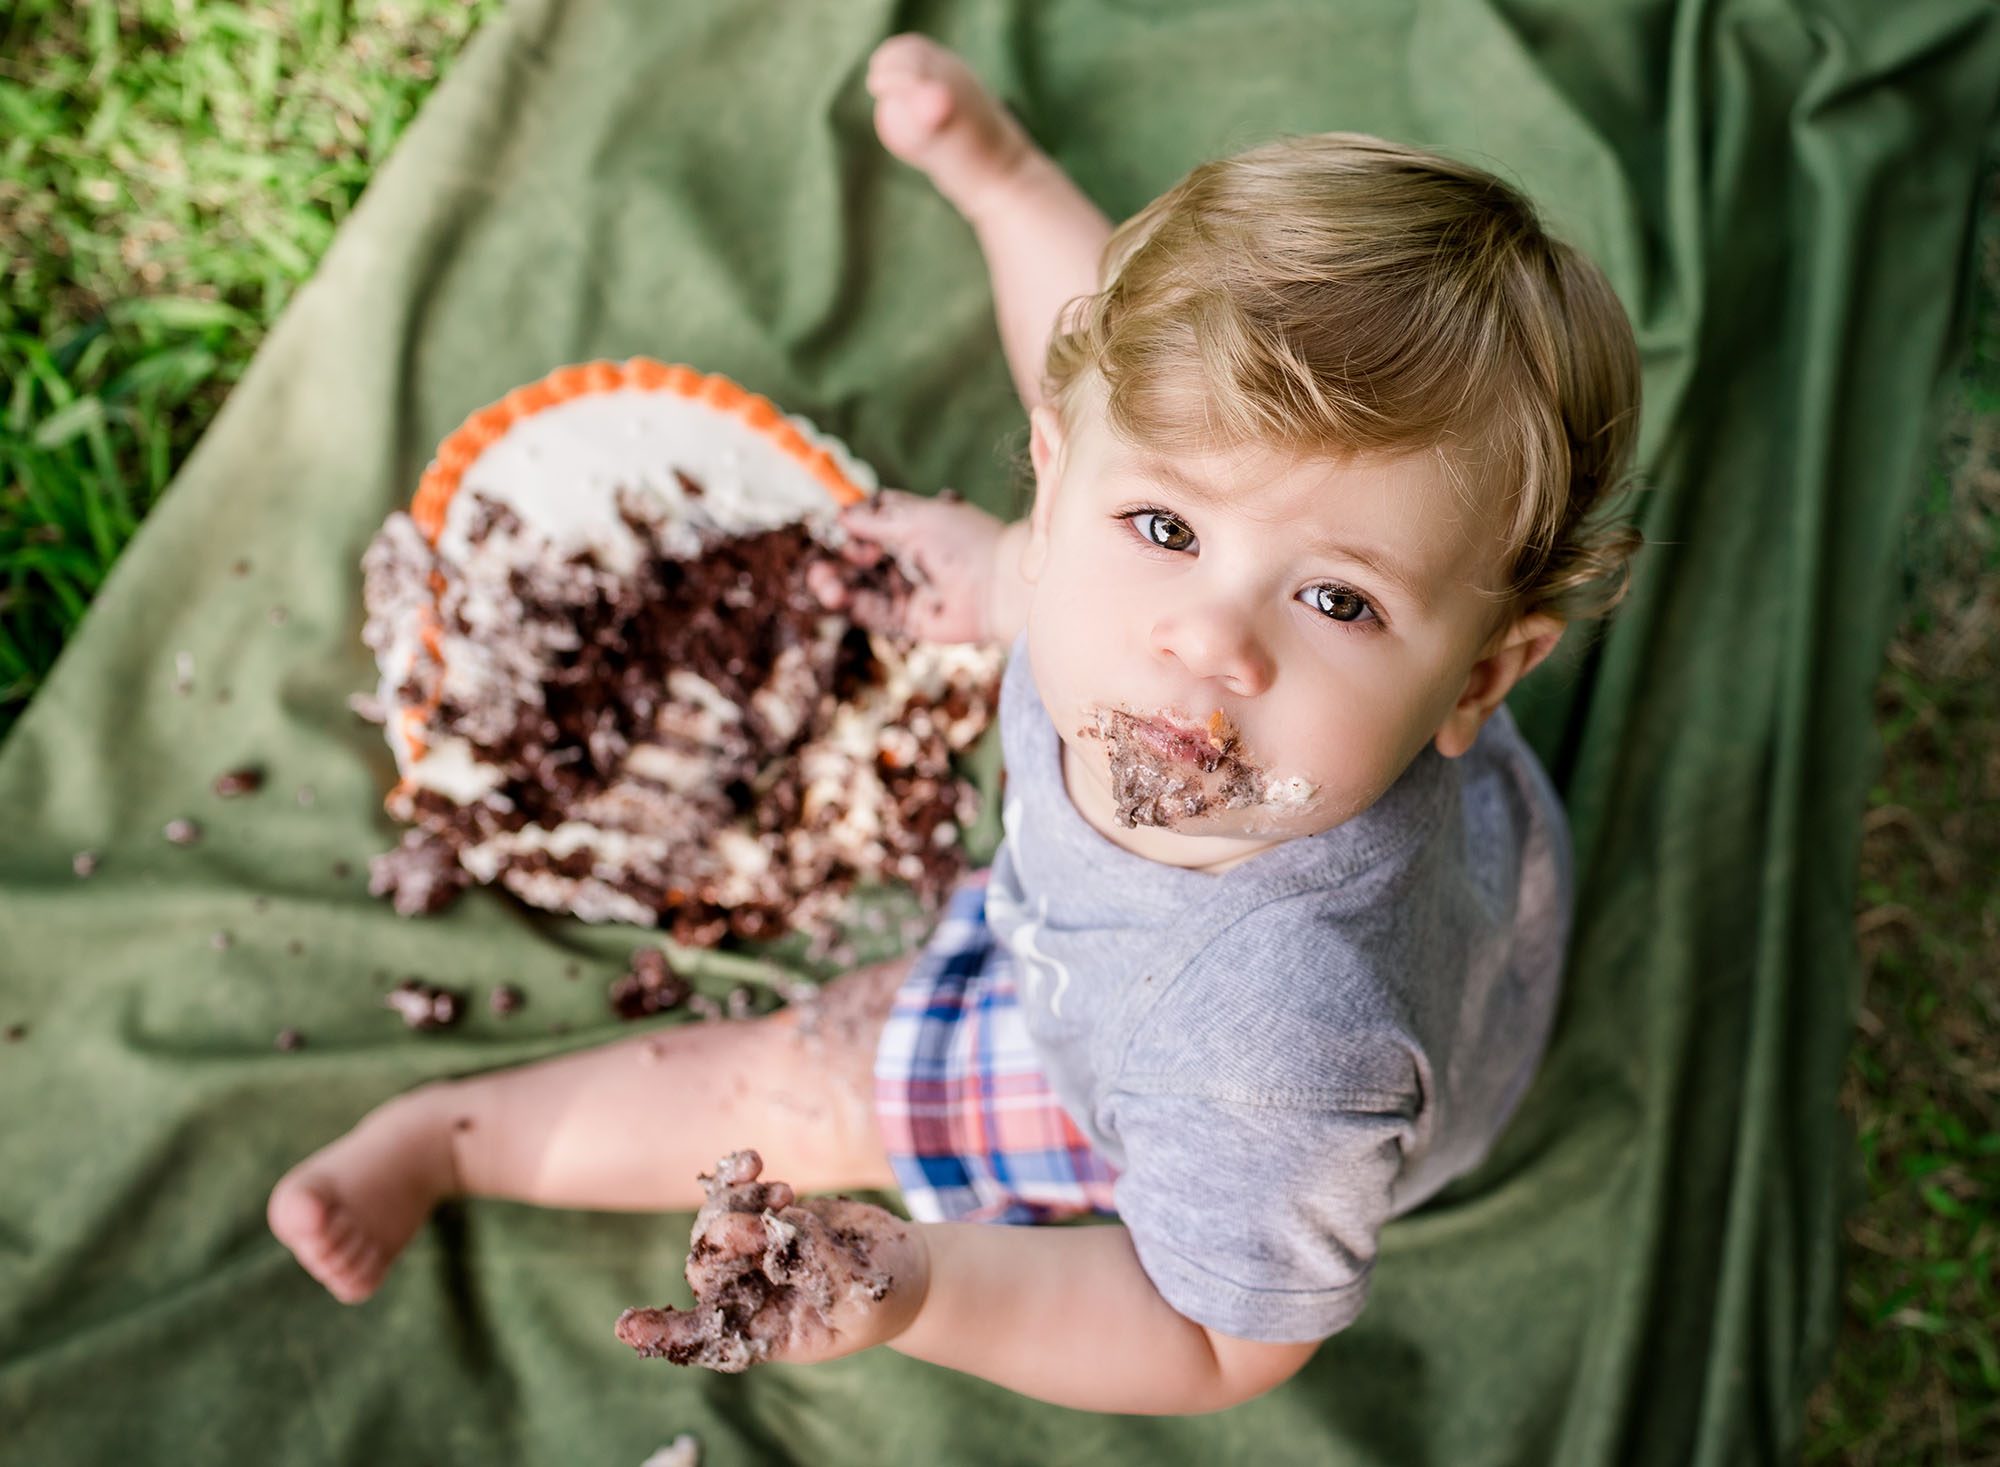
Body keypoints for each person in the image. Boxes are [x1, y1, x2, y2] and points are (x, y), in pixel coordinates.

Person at [268, 31, 1642, 1415]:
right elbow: (1090, 367)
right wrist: (999, 200)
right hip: (1318, 874)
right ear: (1051, 493)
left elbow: (1217, 1343)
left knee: (806, 1082)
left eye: (1338, 603)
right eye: (1164, 525)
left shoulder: (1277, 1059)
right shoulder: (1109, 600)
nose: (1209, 640)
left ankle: (445, 1142)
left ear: (1480, 680)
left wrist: (927, 1285)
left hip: (1135, 1046)